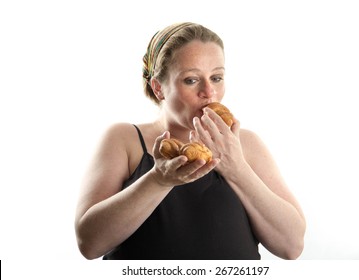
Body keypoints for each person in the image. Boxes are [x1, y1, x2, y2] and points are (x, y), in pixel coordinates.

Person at [74, 22, 306, 260]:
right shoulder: (124, 139)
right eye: (191, 80)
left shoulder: (245, 144)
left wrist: (236, 168)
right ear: (158, 88)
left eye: (216, 77)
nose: (209, 92)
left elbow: (292, 246)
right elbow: (89, 243)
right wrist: (158, 180)